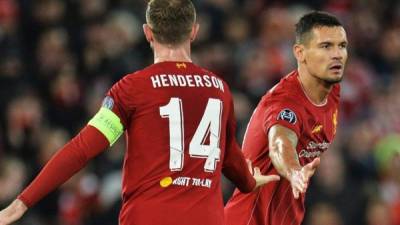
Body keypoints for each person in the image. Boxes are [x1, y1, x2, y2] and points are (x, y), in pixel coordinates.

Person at [0, 1, 280, 225]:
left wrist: (21, 203)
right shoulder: (219, 89)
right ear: (194, 30)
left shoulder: (132, 89)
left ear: (148, 32)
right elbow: (228, 155)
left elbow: (83, 149)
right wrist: (249, 180)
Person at [224, 11, 348, 225]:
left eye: (342, 46)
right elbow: (280, 144)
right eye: (326, 46)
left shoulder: (331, 91)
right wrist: (294, 171)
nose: (337, 54)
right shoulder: (285, 102)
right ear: (300, 53)